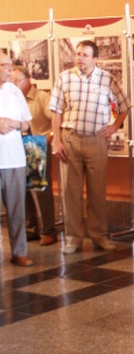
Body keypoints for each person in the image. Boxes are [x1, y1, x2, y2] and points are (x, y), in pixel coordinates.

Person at [49, 40, 131, 254]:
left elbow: (125, 106)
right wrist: (56, 140)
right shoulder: (64, 78)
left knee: (97, 191)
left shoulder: (107, 79)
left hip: (96, 141)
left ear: (95, 58)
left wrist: (114, 127)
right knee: (70, 192)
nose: (80, 58)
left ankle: (99, 236)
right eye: (78, 54)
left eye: (85, 55)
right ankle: (73, 238)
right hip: (70, 140)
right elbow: (56, 111)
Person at [12, 65, 58, 246]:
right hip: (16, 145)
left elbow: (55, 119)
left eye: (17, 80)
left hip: (36, 144)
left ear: (28, 80)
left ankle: (48, 230)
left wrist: (50, 136)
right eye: (12, 80)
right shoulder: (13, 98)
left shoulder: (41, 97)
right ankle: (31, 228)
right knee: (22, 189)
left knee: (40, 190)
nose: (14, 84)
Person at [0, 54, 34, 266]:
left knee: (16, 210)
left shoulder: (14, 91)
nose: (9, 69)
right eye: (4, 65)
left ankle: (19, 252)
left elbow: (27, 124)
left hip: (14, 159)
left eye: (10, 65)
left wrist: (16, 124)